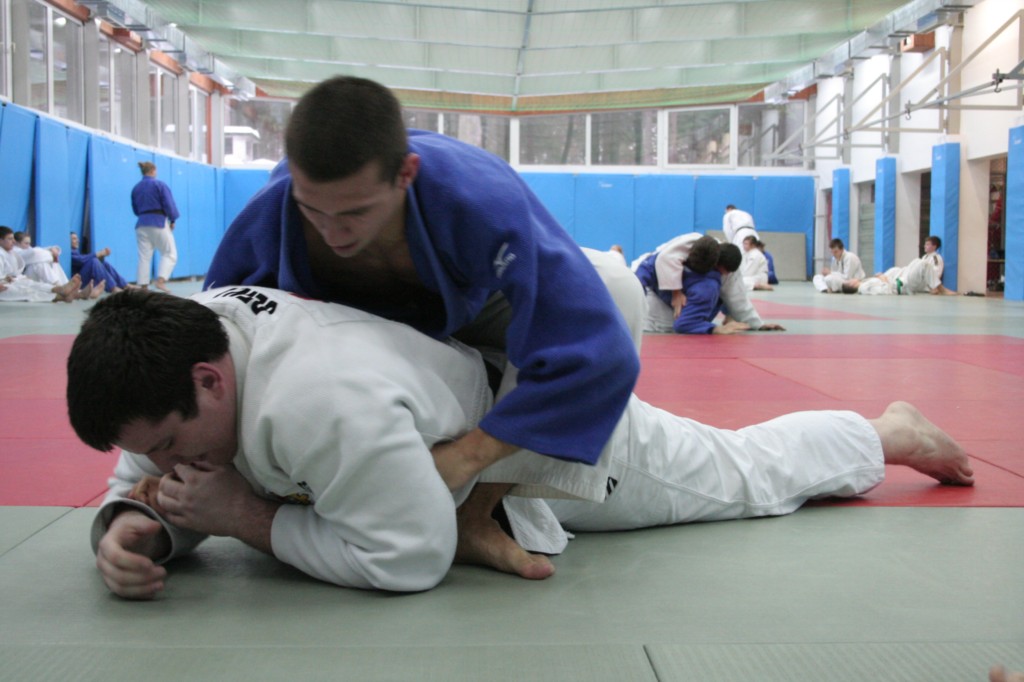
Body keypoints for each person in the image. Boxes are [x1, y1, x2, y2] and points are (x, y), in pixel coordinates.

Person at [66, 288, 974, 600]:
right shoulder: (188, 332)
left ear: (211, 381)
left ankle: (882, 431)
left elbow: (411, 555)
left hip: (546, 437)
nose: (169, 468)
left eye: (173, 445)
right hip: (449, 429)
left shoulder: (318, 399)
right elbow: (141, 460)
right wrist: (134, 523)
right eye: (155, 456)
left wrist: (245, 518)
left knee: (740, 474)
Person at [202, 75, 640, 495]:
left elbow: (598, 345)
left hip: (471, 306)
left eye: (355, 212)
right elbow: (202, 343)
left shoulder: (478, 197)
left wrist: (469, 456)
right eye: (313, 210)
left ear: (406, 173)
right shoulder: (270, 214)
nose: (332, 233)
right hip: (355, 338)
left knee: (617, 288)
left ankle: (482, 509)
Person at [634, 233, 784, 333]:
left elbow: (737, 298)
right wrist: (676, 292)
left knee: (719, 292)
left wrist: (757, 324)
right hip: (654, 289)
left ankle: (728, 315)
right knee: (657, 321)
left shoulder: (718, 277)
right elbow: (662, 260)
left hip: (681, 296)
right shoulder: (685, 247)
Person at [0, 226, 92, 302]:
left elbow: (14, 273)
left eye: (13, 239)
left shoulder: (11, 253)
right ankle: (65, 295)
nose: (13, 241)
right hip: (4, 286)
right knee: (26, 290)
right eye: (10, 239)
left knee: (34, 284)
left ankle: (64, 290)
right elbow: (35, 253)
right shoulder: (10, 252)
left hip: (14, 280)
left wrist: (16, 278)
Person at [131, 161, 179, 293]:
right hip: (158, 222)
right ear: (153, 170)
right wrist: (172, 219)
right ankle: (160, 281)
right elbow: (169, 203)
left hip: (141, 224)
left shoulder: (136, 188)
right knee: (170, 252)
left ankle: (143, 286)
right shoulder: (159, 185)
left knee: (144, 256)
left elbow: (135, 209)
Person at [843, 256, 957, 296]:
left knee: (914, 262)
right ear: (851, 284)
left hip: (898, 279)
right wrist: (883, 278)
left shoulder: (864, 283)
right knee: (923, 264)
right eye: (850, 280)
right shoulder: (865, 288)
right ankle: (941, 289)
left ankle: (930, 287)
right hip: (901, 285)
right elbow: (886, 290)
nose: (852, 279)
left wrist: (881, 276)